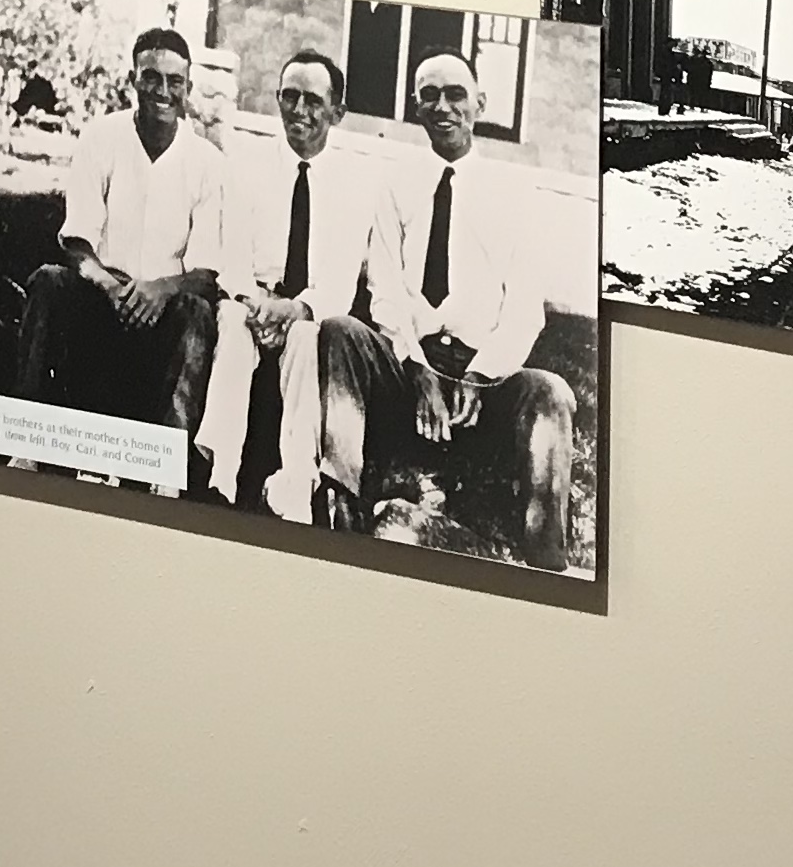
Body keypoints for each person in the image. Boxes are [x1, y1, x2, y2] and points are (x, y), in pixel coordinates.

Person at [366, 50, 577, 563]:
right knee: (340, 332)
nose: (443, 107)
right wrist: (416, 367)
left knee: (550, 391)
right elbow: (385, 290)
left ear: (480, 103)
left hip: (485, 374)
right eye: (429, 96)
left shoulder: (513, 192)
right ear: (415, 105)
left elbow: (525, 308)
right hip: (408, 368)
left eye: (456, 94)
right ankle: (340, 507)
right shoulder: (395, 184)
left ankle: (545, 556)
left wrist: (482, 375)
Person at [198, 48, 396, 521]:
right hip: (252, 301)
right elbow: (232, 255)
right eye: (289, 97)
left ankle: (297, 480)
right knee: (232, 324)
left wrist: (293, 311)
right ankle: (221, 473)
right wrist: (253, 303)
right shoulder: (247, 164)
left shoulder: (354, 185)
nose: (299, 110)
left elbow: (339, 283)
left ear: (337, 112)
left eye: (313, 100)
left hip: (307, 311)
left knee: (308, 339)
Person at [15, 26, 223, 451]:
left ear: (188, 88)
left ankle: (168, 463)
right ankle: (27, 442)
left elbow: (206, 272)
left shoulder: (208, 162)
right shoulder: (101, 137)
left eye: (175, 81)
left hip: (164, 311)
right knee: (49, 281)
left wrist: (161, 290)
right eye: (151, 78)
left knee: (198, 313)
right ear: (133, 80)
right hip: (101, 297)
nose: (162, 91)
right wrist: (111, 287)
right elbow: (77, 242)